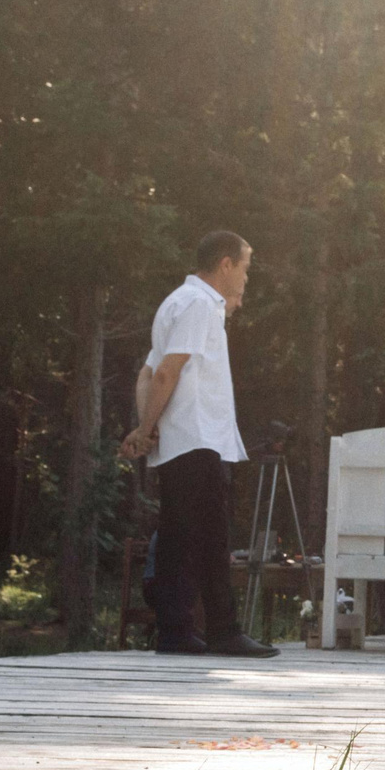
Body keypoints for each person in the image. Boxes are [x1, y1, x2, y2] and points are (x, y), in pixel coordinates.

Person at [120, 231, 278, 658]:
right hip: (197, 437)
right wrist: (147, 428)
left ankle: (177, 632)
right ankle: (221, 631)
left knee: (179, 538)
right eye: (245, 268)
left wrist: (146, 430)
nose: (247, 279)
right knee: (210, 539)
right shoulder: (199, 304)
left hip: (181, 441)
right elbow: (167, 373)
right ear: (225, 264)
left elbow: (146, 374)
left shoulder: (175, 302)